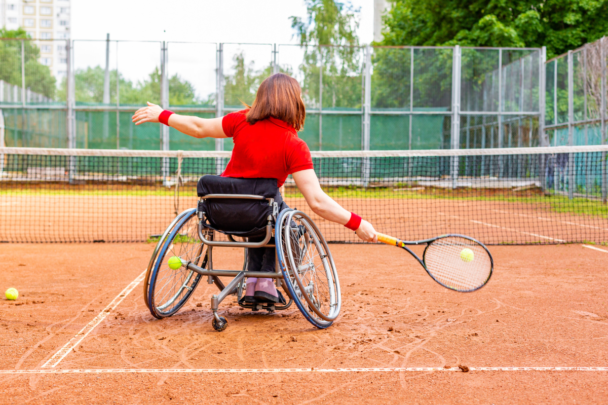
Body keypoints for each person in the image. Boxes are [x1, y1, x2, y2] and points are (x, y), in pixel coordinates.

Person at [132, 73, 377, 304]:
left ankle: (254, 282)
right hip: (260, 214)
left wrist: (163, 114)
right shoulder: (294, 145)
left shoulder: (241, 120)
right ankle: (265, 282)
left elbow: (198, 127)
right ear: (294, 102)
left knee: (267, 212)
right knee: (285, 222)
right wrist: (357, 223)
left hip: (220, 212)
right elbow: (317, 201)